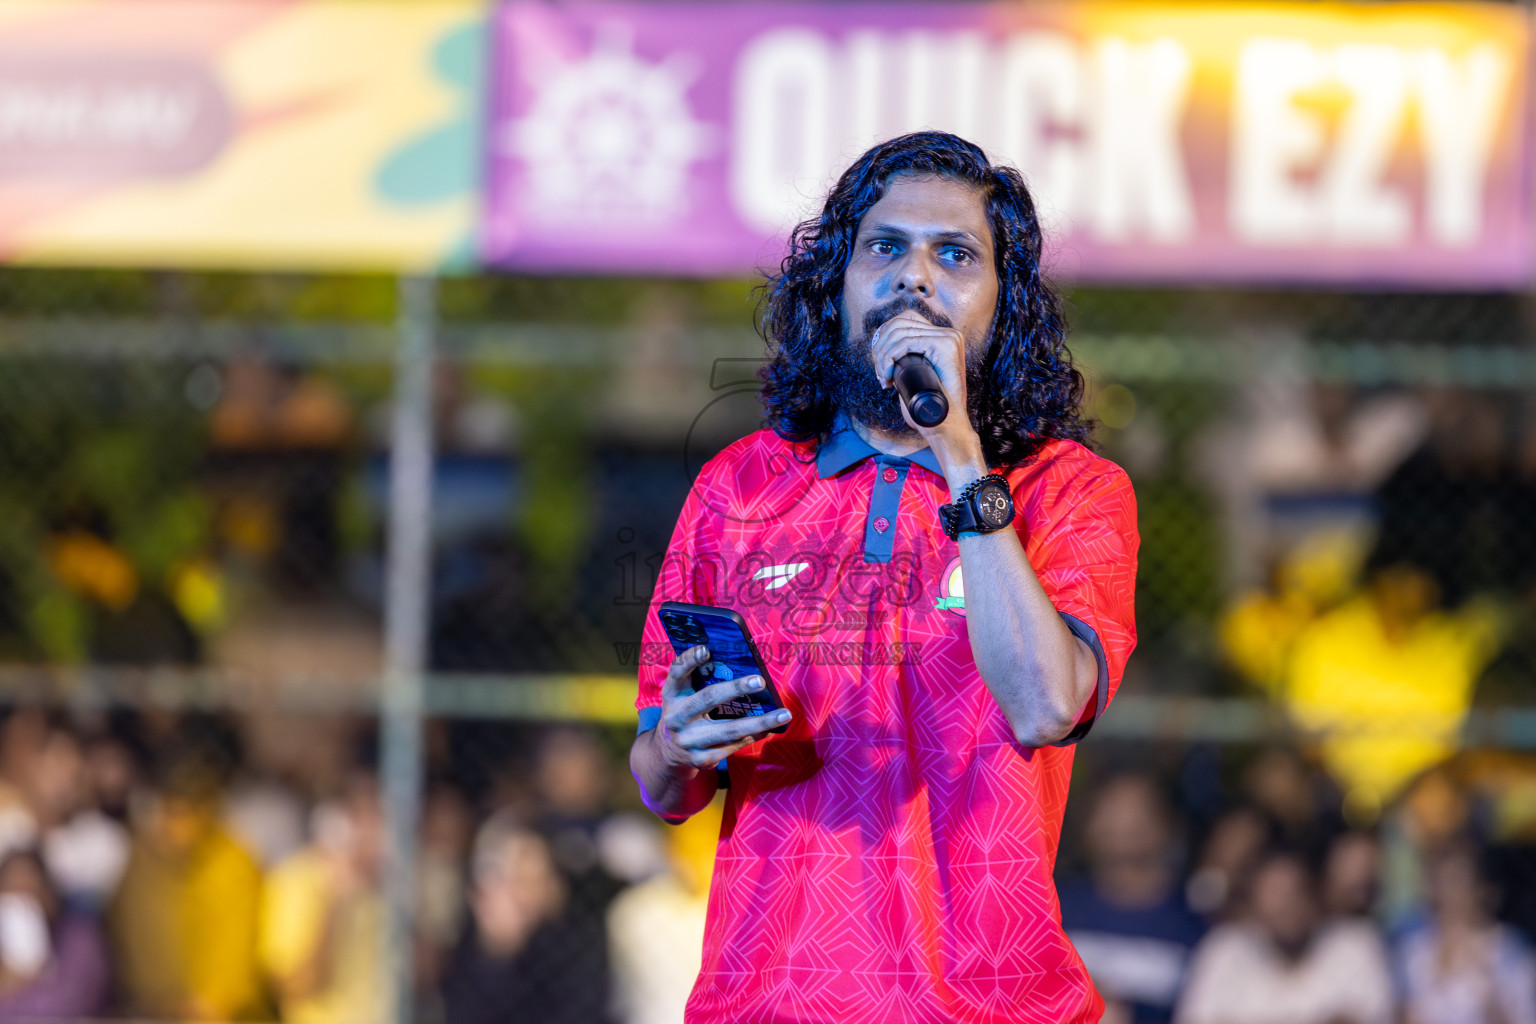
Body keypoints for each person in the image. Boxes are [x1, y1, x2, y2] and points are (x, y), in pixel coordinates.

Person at [631, 132, 1138, 1022]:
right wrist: (674, 749)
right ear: (838, 285)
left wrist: (959, 452)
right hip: (769, 1002)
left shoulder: (1072, 492)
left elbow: (1046, 705)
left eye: (956, 255)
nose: (915, 279)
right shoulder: (738, 487)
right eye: (886, 248)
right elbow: (663, 784)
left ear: (1005, 302)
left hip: (992, 1005)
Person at [109, 720, 267, 1020]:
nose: (169, 827)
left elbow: (220, 1001)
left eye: (181, 814)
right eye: (165, 811)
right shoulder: (142, 857)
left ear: (209, 807)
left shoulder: (231, 870)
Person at [1176, 849, 1394, 1024]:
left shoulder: (1355, 943)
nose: (1287, 905)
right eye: (1274, 893)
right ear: (1252, 902)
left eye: (1296, 890)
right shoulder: (1224, 948)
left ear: (1315, 895)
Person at [1058, 775, 1204, 1023]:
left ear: (1167, 824)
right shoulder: (1053, 907)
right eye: (1110, 809)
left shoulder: (1195, 919)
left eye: (1138, 810)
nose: (1122, 820)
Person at [441, 814, 608, 1024]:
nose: (523, 896)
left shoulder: (580, 939)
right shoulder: (471, 941)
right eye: (515, 879)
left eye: (533, 879)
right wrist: (497, 949)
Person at [259, 772, 385, 1024]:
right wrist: (335, 904)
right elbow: (296, 988)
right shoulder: (295, 881)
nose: (378, 832)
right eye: (366, 819)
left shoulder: (386, 887)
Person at [1397, 843, 1536, 1024]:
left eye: (1456, 883)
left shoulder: (1511, 953)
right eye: (1437, 883)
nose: (1445, 895)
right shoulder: (1411, 950)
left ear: (1481, 890)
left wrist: (1491, 1002)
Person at [0, 849, 111, 1020]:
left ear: (48, 893)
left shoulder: (79, 938)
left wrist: (16, 985)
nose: (21, 907)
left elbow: (64, 1007)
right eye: (12, 895)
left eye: (29, 891)